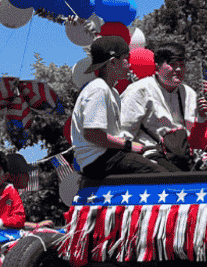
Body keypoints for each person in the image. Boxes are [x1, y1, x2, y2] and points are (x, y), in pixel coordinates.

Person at [71, 35, 175, 178]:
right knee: (161, 175)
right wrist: (128, 146)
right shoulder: (98, 89)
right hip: (98, 160)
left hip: (106, 156)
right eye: (126, 58)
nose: (130, 64)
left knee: (163, 167)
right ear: (113, 62)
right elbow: (92, 134)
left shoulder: (111, 91)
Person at [120, 39, 207, 169]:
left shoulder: (189, 93)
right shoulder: (140, 90)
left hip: (183, 157)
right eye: (172, 64)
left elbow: (194, 139)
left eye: (182, 64)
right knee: (179, 184)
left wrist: (202, 118)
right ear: (157, 67)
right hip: (152, 156)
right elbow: (124, 133)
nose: (178, 69)